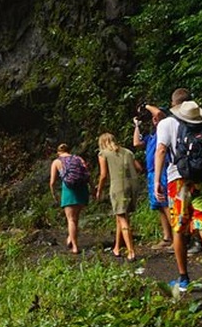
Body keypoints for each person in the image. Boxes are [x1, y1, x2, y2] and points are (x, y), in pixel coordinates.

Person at [154, 90, 202, 298]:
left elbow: (160, 150)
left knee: (179, 228)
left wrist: (157, 180)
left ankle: (184, 278)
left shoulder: (166, 123)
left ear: (174, 105)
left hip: (178, 181)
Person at [95, 132, 142, 262]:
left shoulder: (103, 154)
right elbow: (139, 167)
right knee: (120, 216)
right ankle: (116, 247)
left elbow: (103, 175)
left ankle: (131, 251)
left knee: (122, 218)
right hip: (131, 185)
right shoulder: (127, 152)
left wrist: (99, 189)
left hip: (117, 186)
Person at [133, 104, 173, 251]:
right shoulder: (152, 136)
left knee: (166, 204)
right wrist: (137, 125)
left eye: (156, 117)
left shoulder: (166, 129)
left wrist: (145, 105)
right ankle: (167, 237)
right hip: (151, 172)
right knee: (159, 206)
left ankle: (178, 239)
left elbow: (160, 114)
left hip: (162, 170)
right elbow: (136, 143)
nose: (154, 119)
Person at [50, 143, 90, 254]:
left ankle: (75, 247)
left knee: (71, 219)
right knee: (76, 218)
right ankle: (70, 238)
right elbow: (87, 174)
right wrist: (93, 189)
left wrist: (54, 194)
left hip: (69, 191)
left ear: (58, 152)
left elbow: (52, 182)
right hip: (82, 190)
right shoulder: (78, 158)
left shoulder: (57, 162)